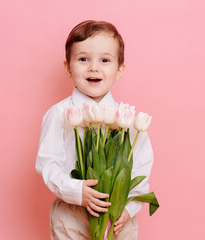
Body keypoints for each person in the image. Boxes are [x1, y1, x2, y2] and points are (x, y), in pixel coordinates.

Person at [36, 20, 154, 240]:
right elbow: (47, 163)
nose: (94, 67)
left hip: (116, 214)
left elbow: (141, 167)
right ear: (68, 67)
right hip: (72, 212)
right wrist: (76, 190)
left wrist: (130, 208)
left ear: (119, 70)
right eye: (83, 59)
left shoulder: (127, 119)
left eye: (105, 60)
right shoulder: (60, 114)